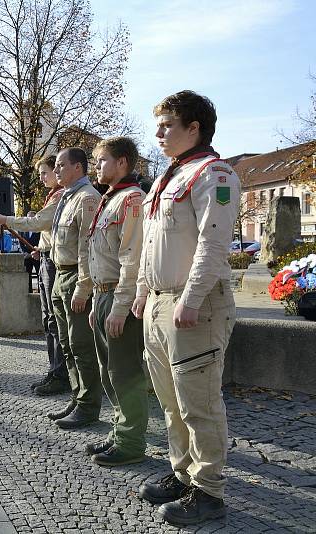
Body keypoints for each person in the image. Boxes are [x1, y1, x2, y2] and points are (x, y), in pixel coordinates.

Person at [131, 90, 240, 525]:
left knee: (199, 402)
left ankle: (209, 490)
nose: (158, 133)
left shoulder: (216, 175)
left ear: (194, 127)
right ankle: (182, 473)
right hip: (160, 305)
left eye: (167, 125)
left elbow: (214, 244)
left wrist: (191, 298)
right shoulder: (165, 179)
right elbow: (149, 246)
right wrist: (142, 290)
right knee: (171, 403)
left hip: (194, 306)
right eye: (157, 124)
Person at [85, 136, 149, 467]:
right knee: (108, 370)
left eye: (102, 160)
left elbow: (132, 259)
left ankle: (132, 441)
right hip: (103, 293)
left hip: (117, 294)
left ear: (122, 162)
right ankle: (118, 431)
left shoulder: (132, 200)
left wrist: (120, 306)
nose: (97, 167)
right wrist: (97, 299)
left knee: (124, 372)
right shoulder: (111, 199)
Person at [0, 155, 67, 396]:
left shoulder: (61, 196)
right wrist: (40, 248)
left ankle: (60, 373)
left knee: (55, 320)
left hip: (54, 262)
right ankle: (54, 369)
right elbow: (48, 231)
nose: (42, 177)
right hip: (45, 256)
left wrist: (6, 219)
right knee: (48, 320)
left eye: (45, 172)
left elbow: (39, 222)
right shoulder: (54, 195)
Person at [47, 147, 102, 429]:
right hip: (60, 275)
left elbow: (86, 248)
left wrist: (84, 287)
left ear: (78, 167)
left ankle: (89, 405)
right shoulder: (67, 197)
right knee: (67, 344)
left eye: (60, 165)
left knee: (81, 344)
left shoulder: (88, 198)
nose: (56, 170)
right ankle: (77, 396)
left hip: (75, 278)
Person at [19, 213, 41, 293]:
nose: (30, 220)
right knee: (27, 275)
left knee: (40, 275)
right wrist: (25, 252)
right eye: (29, 218)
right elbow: (21, 241)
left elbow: (41, 242)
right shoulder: (23, 229)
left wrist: (36, 252)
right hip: (27, 257)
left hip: (37, 256)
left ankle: (40, 292)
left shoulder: (39, 229)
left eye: (32, 218)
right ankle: (29, 292)